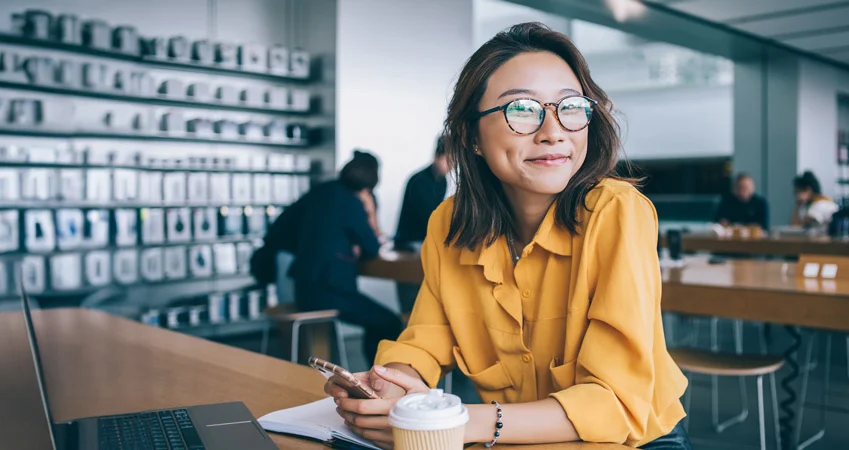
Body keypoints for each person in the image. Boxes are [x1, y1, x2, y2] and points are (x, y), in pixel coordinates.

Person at [326, 23, 689, 449]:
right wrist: (392, 386)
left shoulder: (616, 212)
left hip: (635, 440)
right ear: (469, 136)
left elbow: (614, 403)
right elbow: (425, 337)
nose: (553, 131)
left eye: (570, 107)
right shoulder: (449, 222)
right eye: (521, 109)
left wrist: (455, 423)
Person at [286, 150, 401, 363]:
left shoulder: (319, 192)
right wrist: (371, 214)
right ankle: (378, 377)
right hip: (329, 293)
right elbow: (372, 248)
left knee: (379, 319)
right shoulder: (353, 203)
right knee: (389, 322)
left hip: (302, 288)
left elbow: (281, 229)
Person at [393, 136, 453, 315]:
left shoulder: (441, 181)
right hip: (410, 244)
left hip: (423, 243)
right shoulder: (419, 180)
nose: (452, 166)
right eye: (449, 160)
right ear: (436, 156)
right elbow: (429, 218)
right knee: (412, 306)